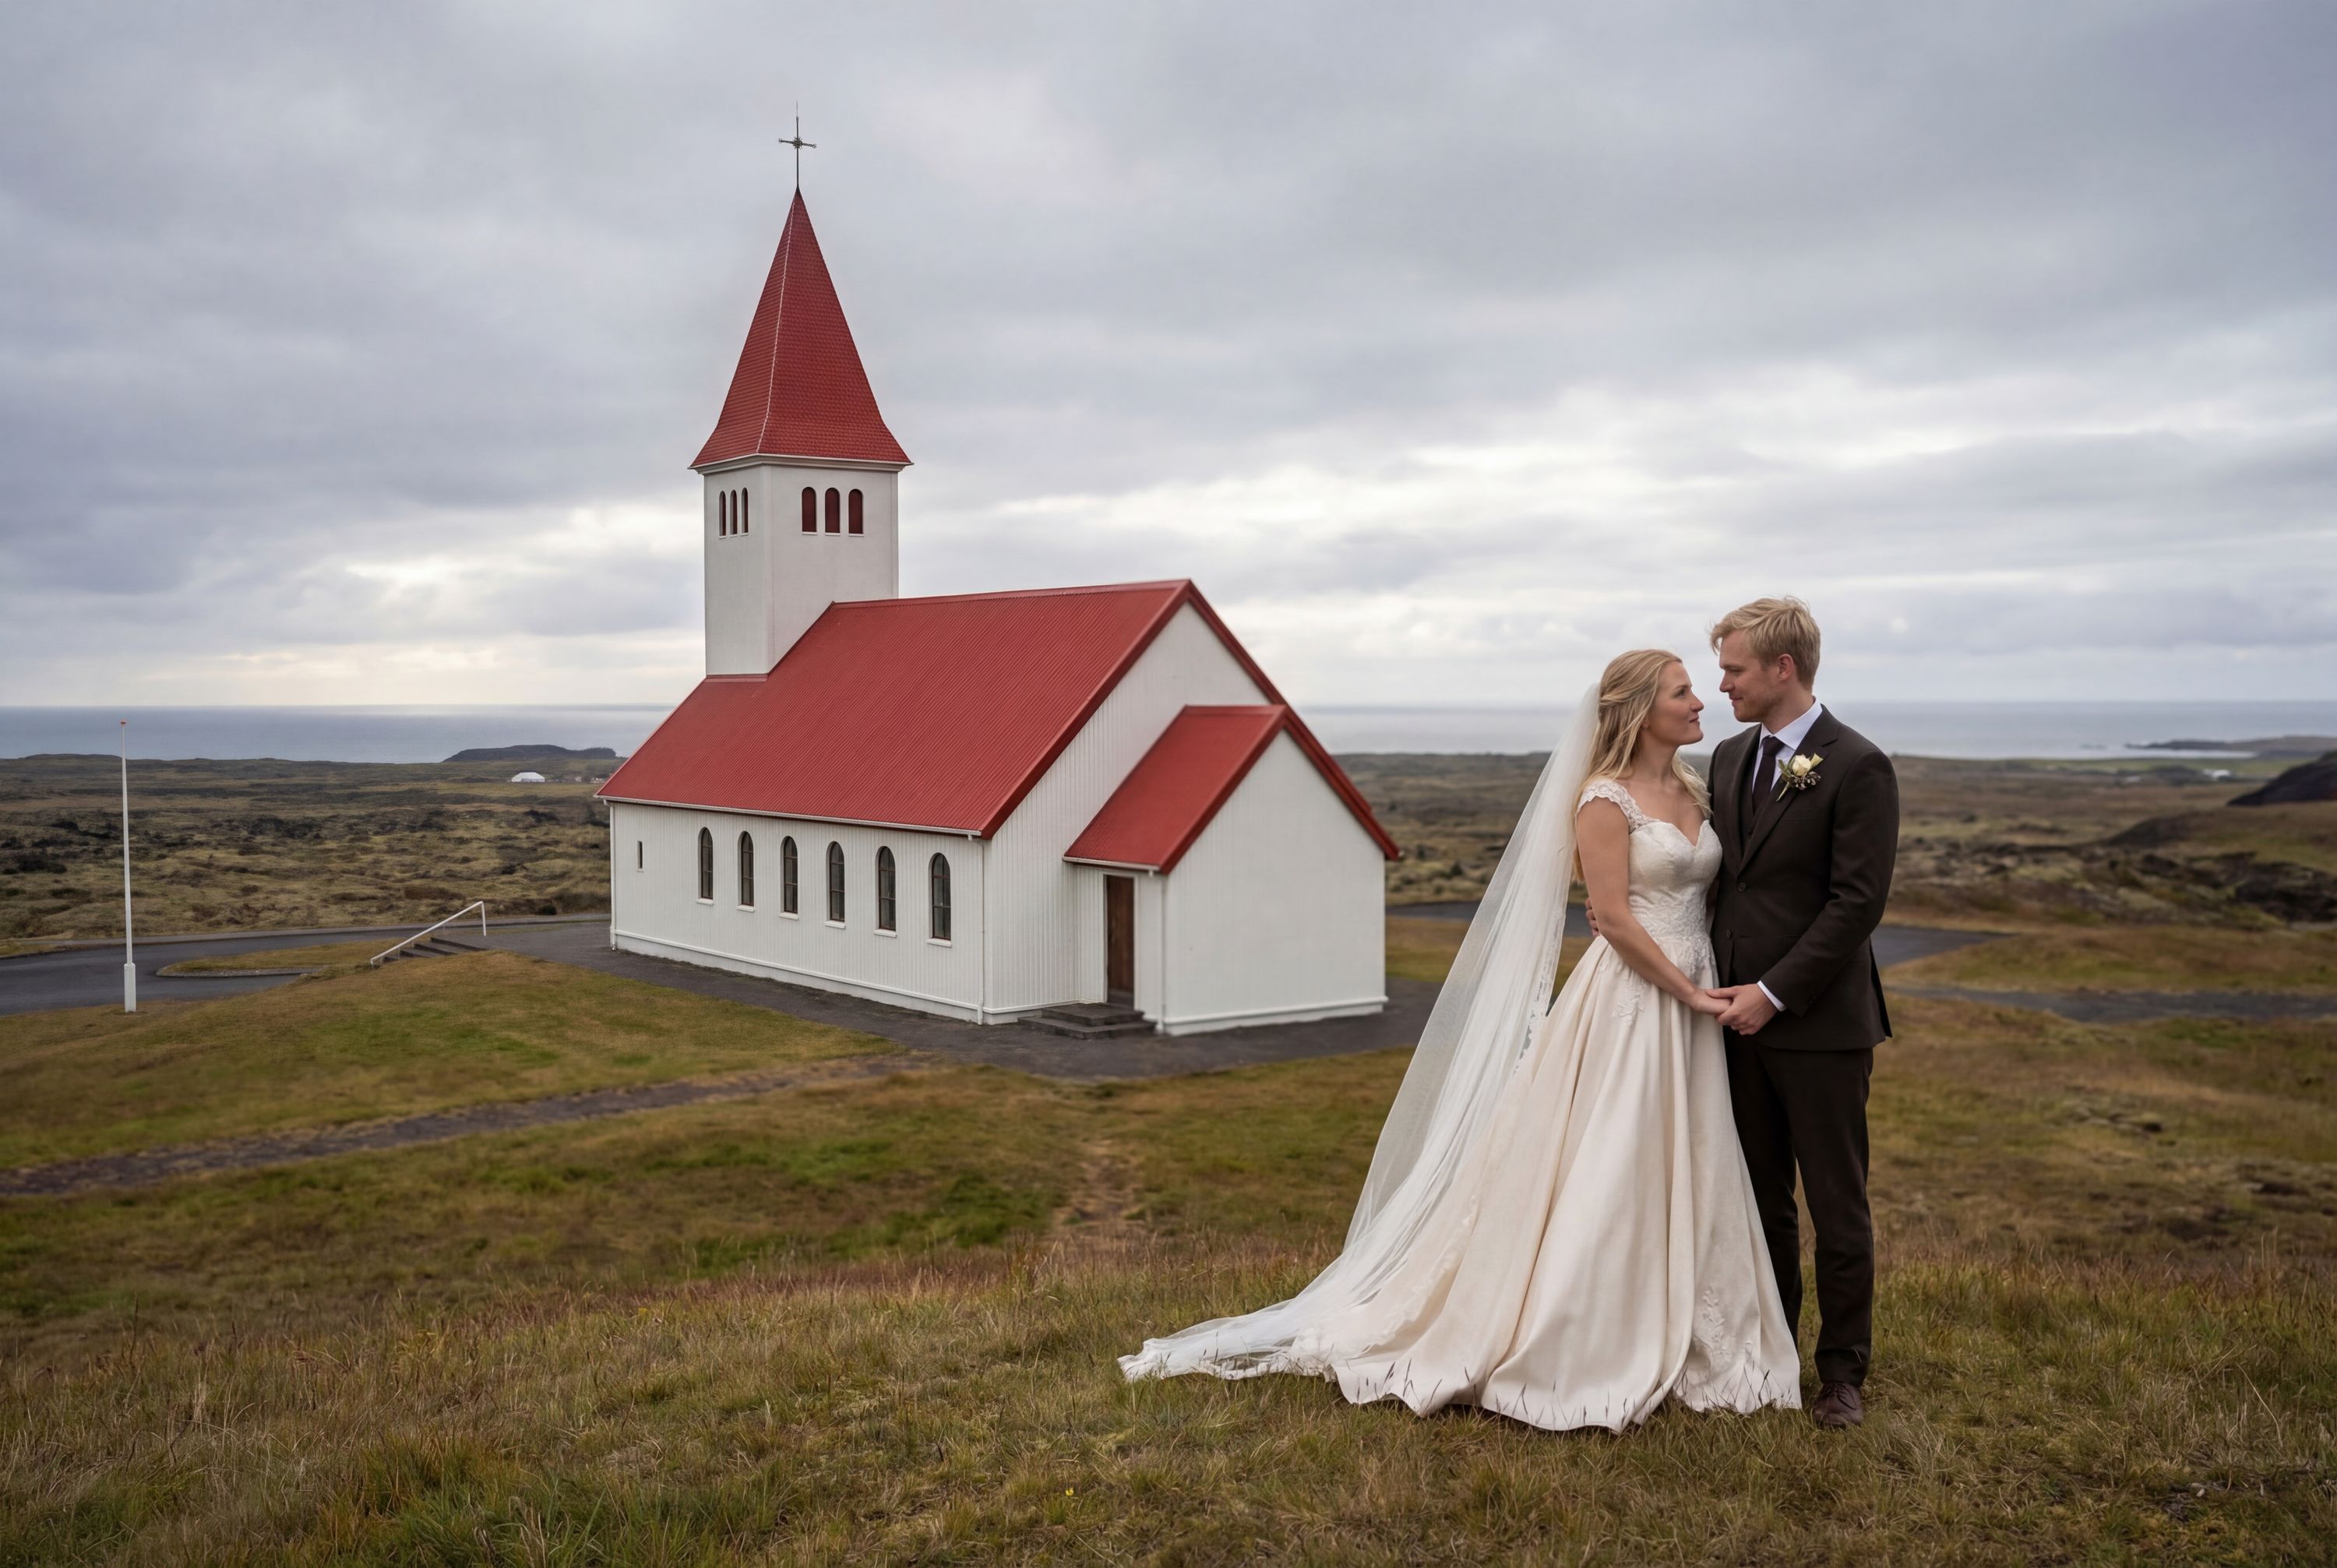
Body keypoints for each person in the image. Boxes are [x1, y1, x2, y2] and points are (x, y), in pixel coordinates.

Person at [1119, 648, 1799, 1432]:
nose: (1701, 702)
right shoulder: (1602, 800)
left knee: (1689, 1156)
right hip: (1637, 1001)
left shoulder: (1689, 787)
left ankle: (1690, 1322)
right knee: (1613, 1156)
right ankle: (1583, 1329)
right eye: (1684, 692)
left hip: (1698, 995)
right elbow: (1610, 916)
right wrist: (1683, 990)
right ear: (1642, 708)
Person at [1696, 597, 1898, 1429]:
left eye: (1735, 669)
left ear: (1784, 669)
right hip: (1729, 1020)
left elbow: (1857, 904)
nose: (1722, 684)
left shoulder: (1858, 765)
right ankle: (1772, 1350)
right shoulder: (1728, 755)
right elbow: (1718, 877)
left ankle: (1842, 1375)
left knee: (1835, 1203)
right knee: (1760, 1200)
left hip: (1817, 1023)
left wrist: (1772, 993)